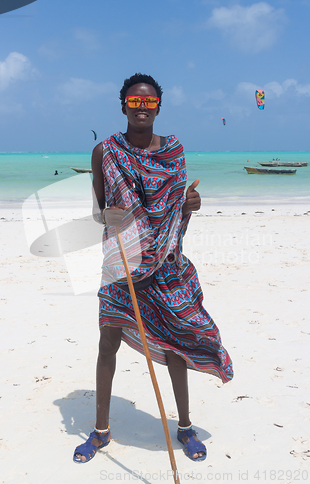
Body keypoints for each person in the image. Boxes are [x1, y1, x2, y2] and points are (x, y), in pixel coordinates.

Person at [73, 73, 233, 464]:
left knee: (177, 341)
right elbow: (98, 213)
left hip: (166, 265)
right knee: (107, 343)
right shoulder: (105, 152)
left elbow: (179, 206)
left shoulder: (173, 151)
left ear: (158, 107)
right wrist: (108, 217)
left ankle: (184, 427)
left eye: (148, 103)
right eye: (134, 101)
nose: (141, 108)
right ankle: (100, 431)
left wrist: (191, 203)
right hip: (121, 263)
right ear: (123, 104)